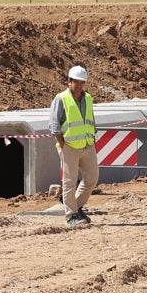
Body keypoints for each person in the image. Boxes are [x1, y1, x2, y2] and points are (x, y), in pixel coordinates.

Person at [50, 65, 98, 228]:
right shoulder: (61, 98)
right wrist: (63, 145)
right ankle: (71, 216)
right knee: (69, 182)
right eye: (75, 82)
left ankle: (76, 207)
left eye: (81, 82)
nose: (78, 85)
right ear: (68, 81)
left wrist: (92, 138)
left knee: (92, 177)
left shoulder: (88, 98)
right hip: (69, 145)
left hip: (87, 144)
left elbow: (90, 120)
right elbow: (54, 124)